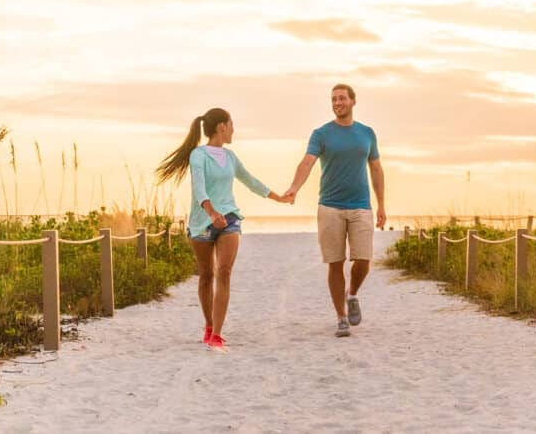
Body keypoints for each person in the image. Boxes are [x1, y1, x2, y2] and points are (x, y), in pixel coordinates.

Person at [155, 107, 292, 352]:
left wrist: (277, 198)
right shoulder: (198, 155)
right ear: (221, 127)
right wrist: (211, 212)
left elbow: (250, 180)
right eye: (231, 124)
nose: (233, 130)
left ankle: (217, 333)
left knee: (224, 271)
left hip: (229, 218)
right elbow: (199, 187)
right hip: (202, 222)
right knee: (206, 275)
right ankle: (208, 325)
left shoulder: (230, 157)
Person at [284, 84, 385, 338]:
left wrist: (382, 204)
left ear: (353, 101)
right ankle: (341, 317)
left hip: (361, 206)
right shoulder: (321, 134)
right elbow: (307, 162)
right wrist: (294, 188)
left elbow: (376, 169)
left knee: (363, 259)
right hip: (330, 207)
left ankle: (352, 295)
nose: (337, 102)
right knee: (335, 263)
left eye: (342, 98)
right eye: (333, 99)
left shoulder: (367, 133)